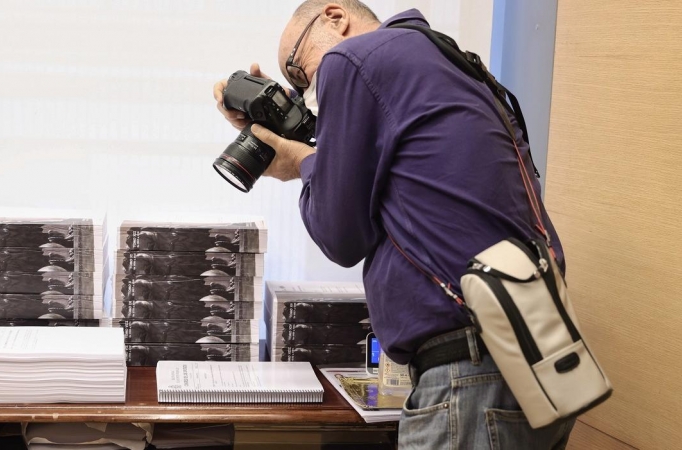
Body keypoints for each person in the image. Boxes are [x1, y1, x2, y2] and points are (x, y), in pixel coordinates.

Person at [213, 1, 575, 448]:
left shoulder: (351, 59)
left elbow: (340, 236)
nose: (307, 91)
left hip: (470, 376)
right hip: (538, 360)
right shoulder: (448, 59)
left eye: (299, 70)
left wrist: (302, 162)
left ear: (333, 16)